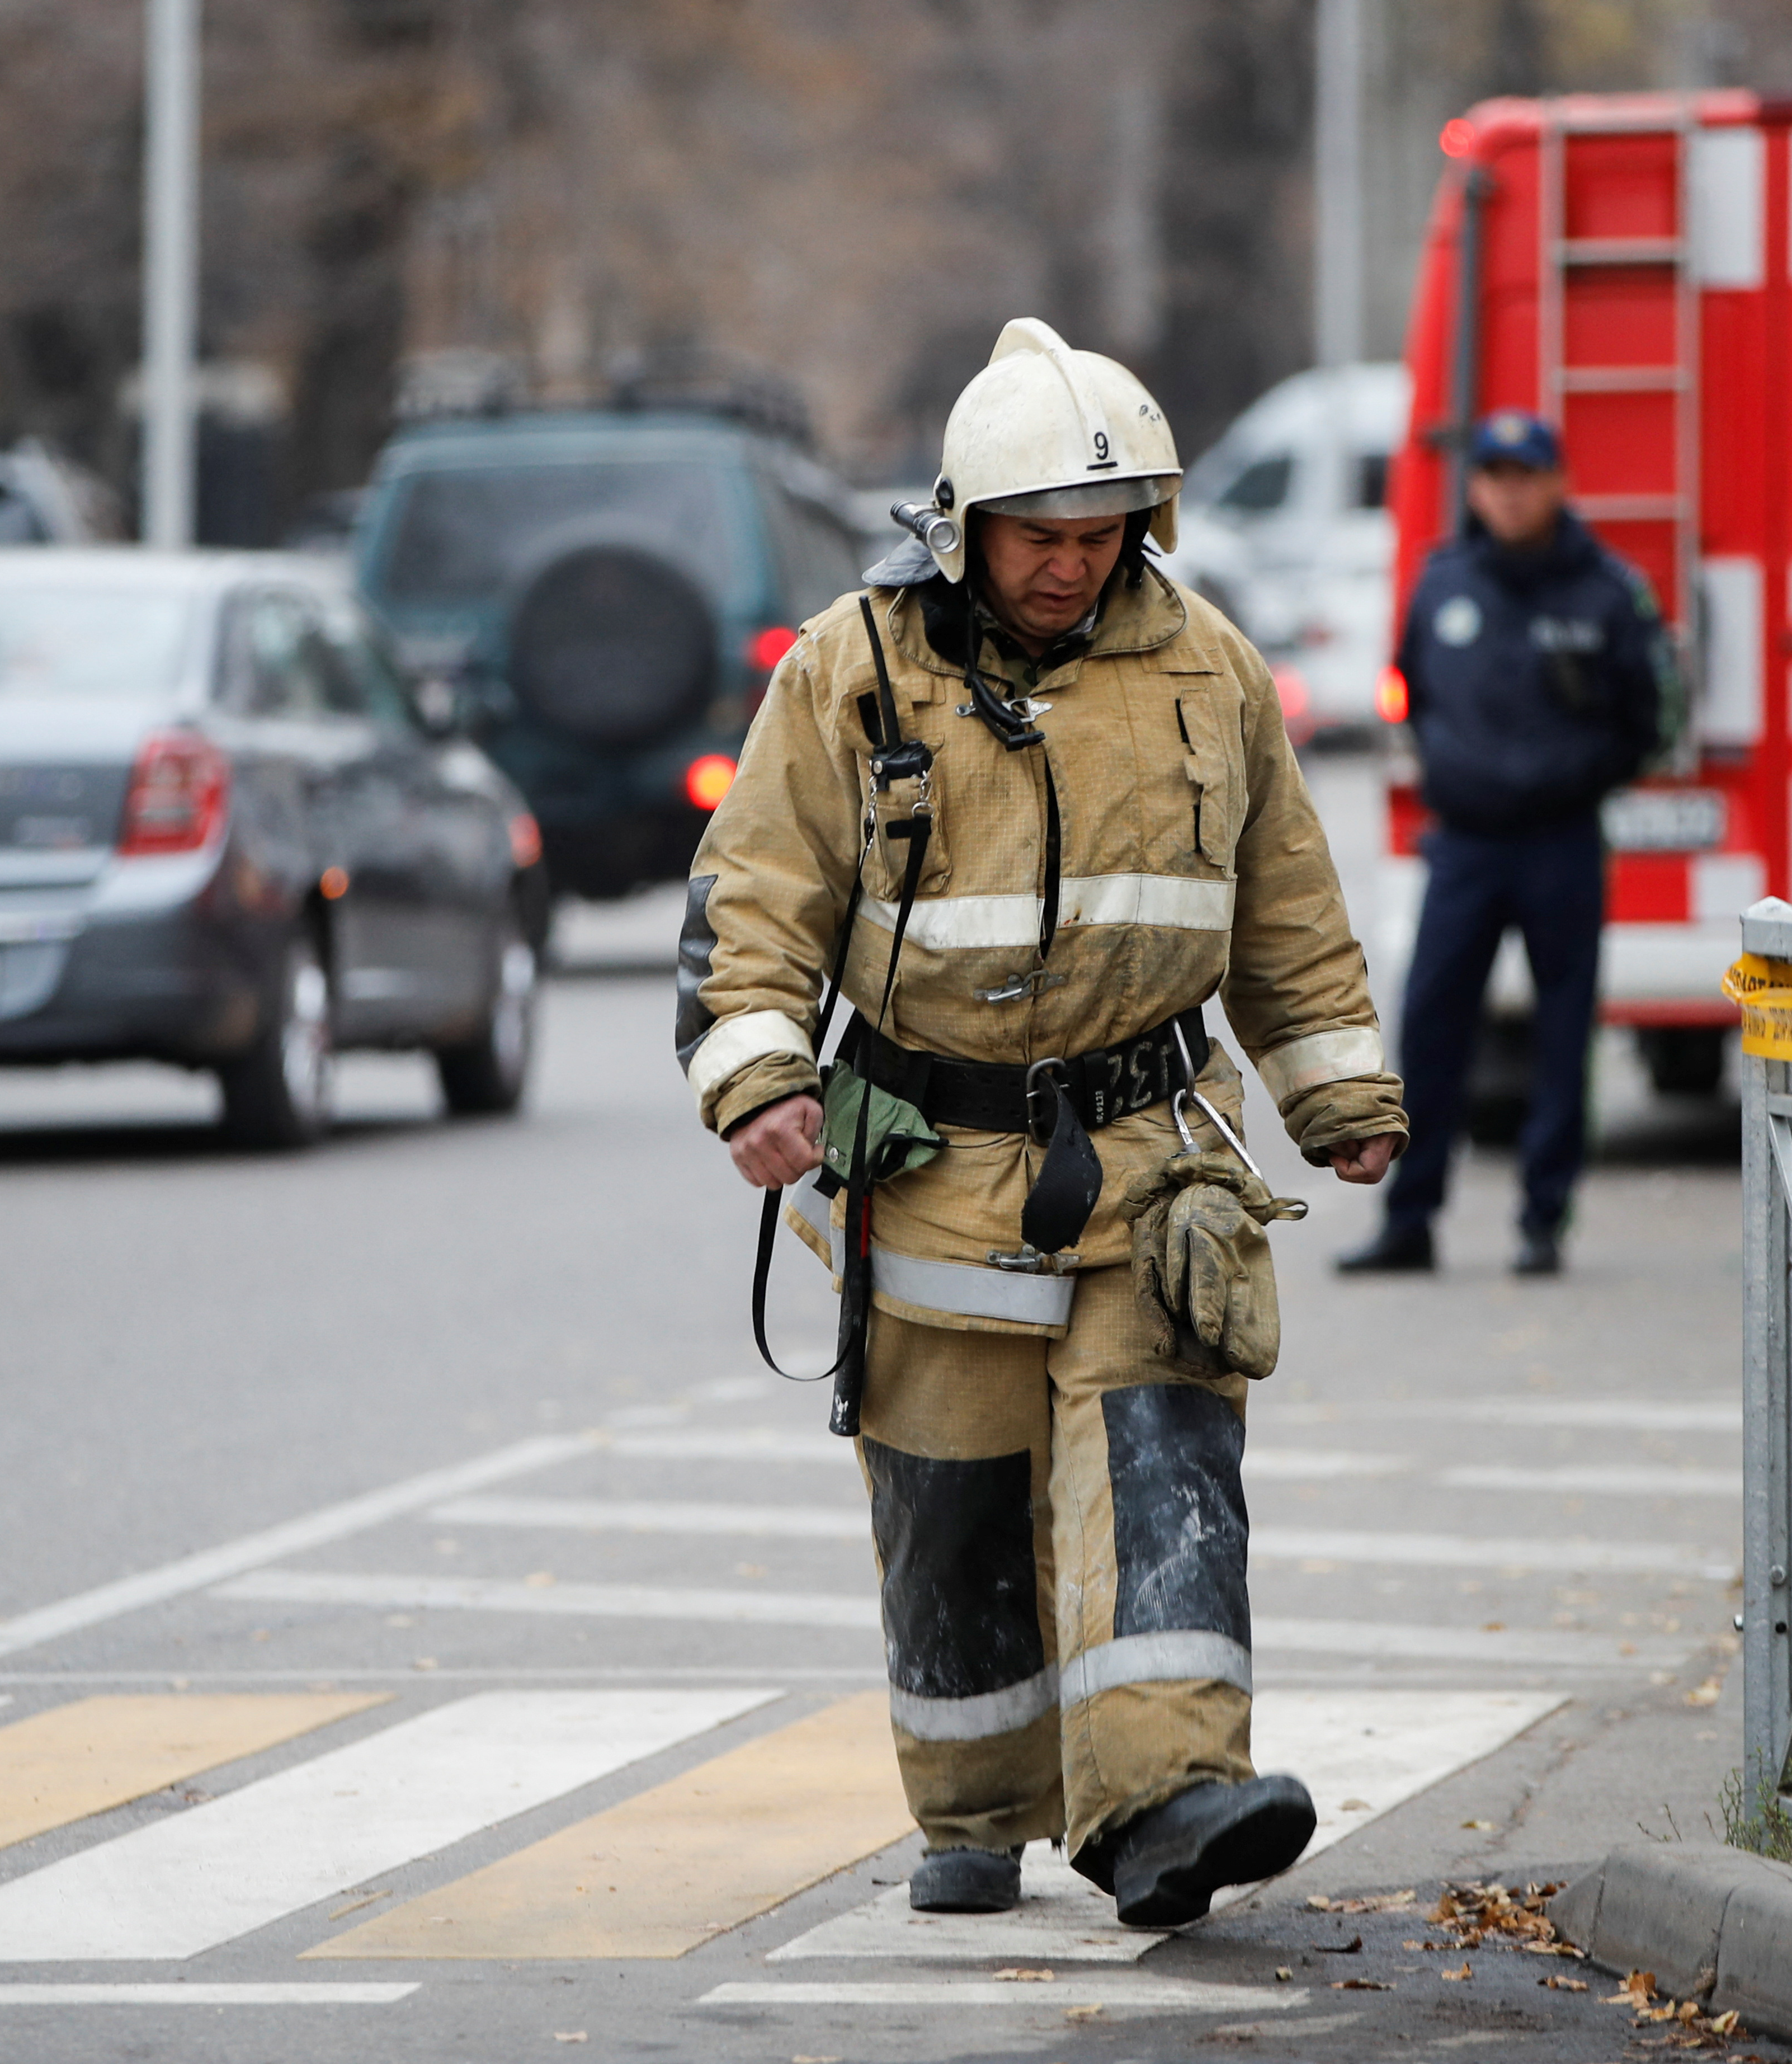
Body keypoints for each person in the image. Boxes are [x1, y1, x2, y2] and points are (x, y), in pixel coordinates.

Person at [676, 319, 1409, 1926]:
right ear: (962, 526)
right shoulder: (848, 673)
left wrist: (1338, 1094)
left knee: (1162, 1469)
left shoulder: (1206, 668)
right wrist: (759, 1078)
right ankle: (975, 1808)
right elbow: (753, 903)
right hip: (927, 1168)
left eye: (1100, 538)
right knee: (952, 1504)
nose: (1071, 567)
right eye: (1040, 538)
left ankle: (1166, 1805)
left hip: (1152, 1158)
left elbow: (1285, 904)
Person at [1336, 410, 1667, 1279]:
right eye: (1495, 476)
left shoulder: (1607, 590)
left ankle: (1543, 1221)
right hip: (1467, 845)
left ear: (1557, 483)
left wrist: (1578, 770)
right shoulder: (1444, 584)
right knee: (1432, 1027)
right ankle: (1410, 1219)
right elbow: (1411, 686)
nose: (1510, 491)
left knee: (1564, 1037)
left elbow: (1655, 718)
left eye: (1527, 475)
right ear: (1476, 487)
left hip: (1560, 842)